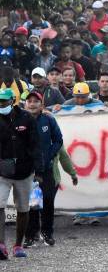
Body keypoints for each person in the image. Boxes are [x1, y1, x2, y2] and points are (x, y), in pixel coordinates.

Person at [0, 88, 43, 259]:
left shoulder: (27, 118)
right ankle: (1, 244)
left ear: (12, 101)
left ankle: (18, 244)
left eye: (3, 101)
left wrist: (39, 172)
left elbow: (36, 145)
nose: (1, 104)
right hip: (2, 171)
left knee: (23, 209)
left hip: (25, 172)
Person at [23, 91, 63, 248]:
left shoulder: (48, 119)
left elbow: (58, 140)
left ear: (41, 104)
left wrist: (49, 155)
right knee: (32, 204)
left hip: (46, 168)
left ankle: (47, 233)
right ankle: (31, 235)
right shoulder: (20, 119)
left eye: (36, 101)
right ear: (25, 104)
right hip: (28, 170)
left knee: (47, 200)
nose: (32, 104)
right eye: (29, 101)